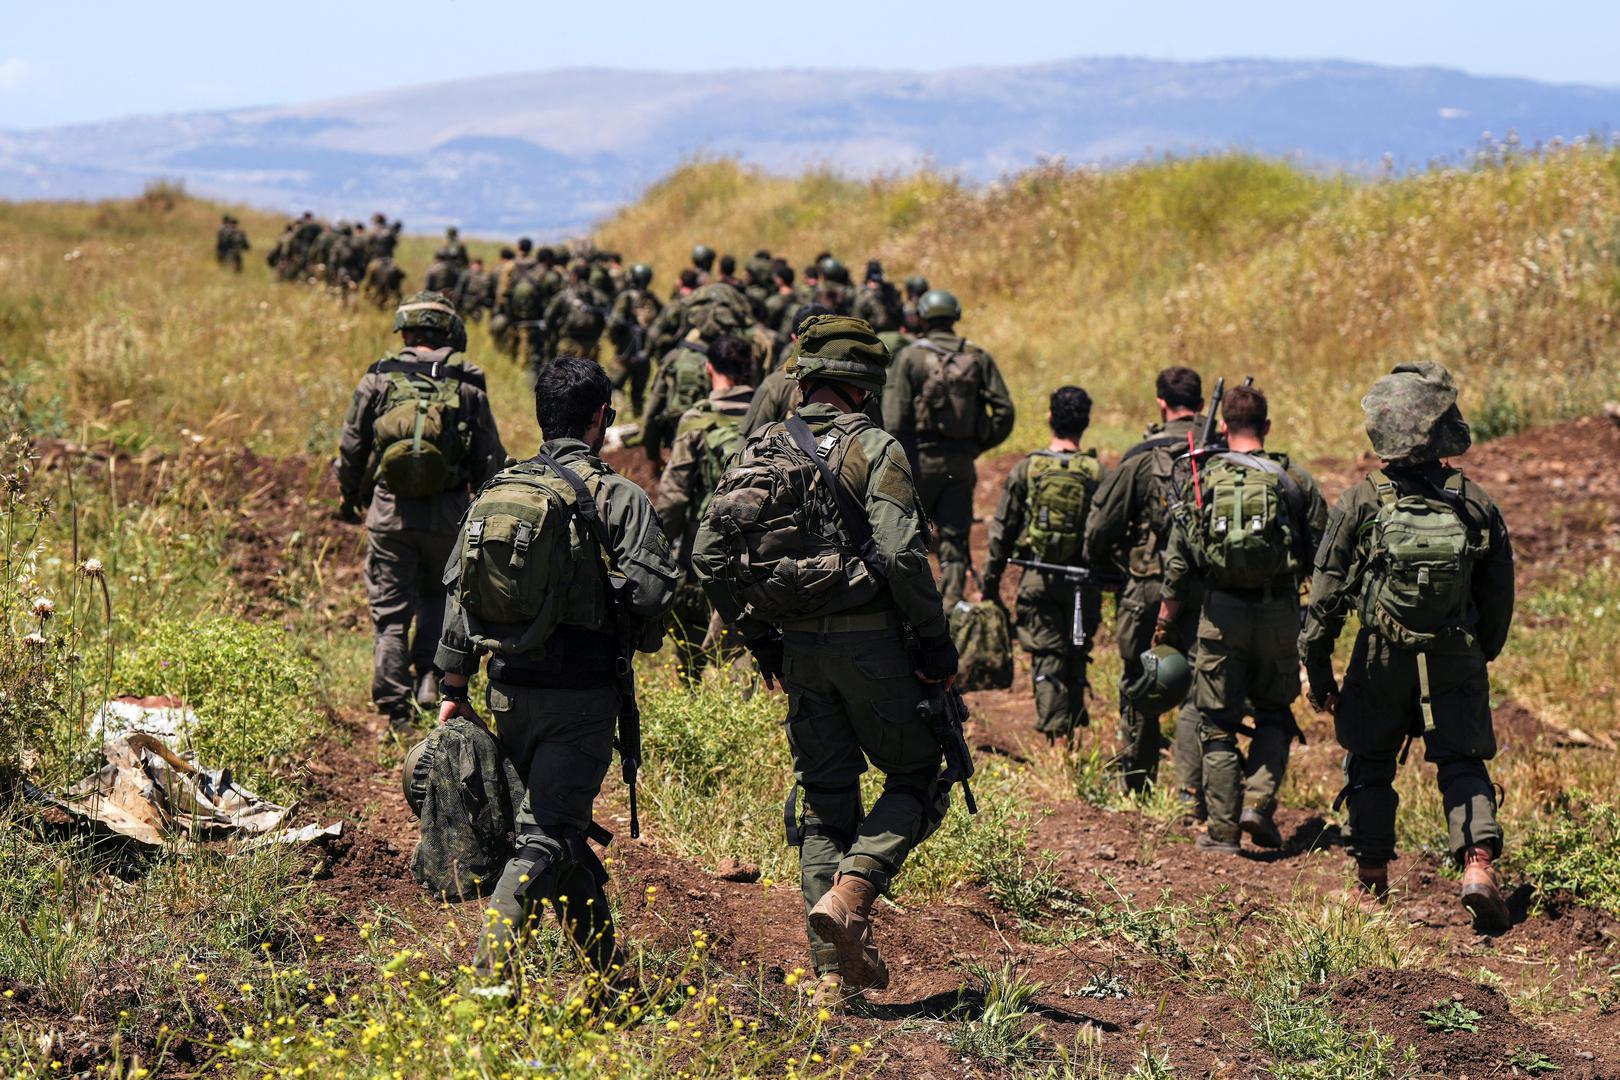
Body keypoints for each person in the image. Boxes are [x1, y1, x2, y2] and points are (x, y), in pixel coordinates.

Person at [690, 315, 960, 1010]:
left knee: (823, 802)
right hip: (873, 645)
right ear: (863, 388)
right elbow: (901, 555)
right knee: (919, 774)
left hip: (799, 650)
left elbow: (706, 556)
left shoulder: (760, 446)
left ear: (805, 380)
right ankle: (853, 894)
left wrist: (761, 640)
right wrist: (934, 645)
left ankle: (830, 985)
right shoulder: (877, 447)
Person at [436, 356, 678, 979]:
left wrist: (453, 685)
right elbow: (652, 603)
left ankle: (603, 972)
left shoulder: (497, 492)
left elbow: (459, 592)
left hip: (508, 692)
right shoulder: (621, 497)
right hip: (583, 696)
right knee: (545, 834)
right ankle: (488, 984)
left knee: (557, 824)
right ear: (601, 418)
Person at [1301, 361, 1514, 931]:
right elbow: (1499, 598)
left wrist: (1319, 677)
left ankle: (1371, 884)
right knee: (1462, 761)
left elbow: (1323, 601)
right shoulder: (1475, 503)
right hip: (1455, 654)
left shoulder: (1360, 502)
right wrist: (1475, 655)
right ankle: (1477, 867)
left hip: (1379, 659)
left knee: (1369, 762)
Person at [1158, 385, 1327, 853]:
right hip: (1279, 614)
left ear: (1224, 428)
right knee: (1274, 712)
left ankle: (1223, 831)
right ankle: (1257, 802)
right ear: (1267, 427)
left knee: (1216, 722)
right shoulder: (1295, 480)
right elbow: (1324, 556)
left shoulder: (1202, 479)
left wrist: (1165, 623)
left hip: (1221, 614)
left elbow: (1177, 565)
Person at [337, 292, 505, 735]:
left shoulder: (378, 377)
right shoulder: (467, 380)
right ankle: (430, 678)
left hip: (390, 511)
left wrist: (350, 495)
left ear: (406, 331)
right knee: (438, 597)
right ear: (449, 333)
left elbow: (352, 445)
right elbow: (490, 455)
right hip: (448, 513)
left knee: (391, 610)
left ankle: (394, 704)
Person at [1083, 367, 1209, 801]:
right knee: (1203, 686)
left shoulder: (1141, 456)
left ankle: (1136, 784)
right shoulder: (1221, 452)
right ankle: (1193, 791)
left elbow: (1099, 529)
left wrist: (1114, 570)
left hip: (1147, 586)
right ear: (1202, 402)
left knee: (1141, 679)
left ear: (1161, 403)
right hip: (1210, 590)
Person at [982, 386, 1103, 743]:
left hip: (1038, 577)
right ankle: (1074, 734)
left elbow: (1002, 530)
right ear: (1086, 422)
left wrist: (992, 581)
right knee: (1078, 652)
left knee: (1047, 656)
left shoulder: (1028, 469)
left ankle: (1055, 738)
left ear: (1050, 417)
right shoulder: (1097, 472)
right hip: (1083, 581)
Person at [883, 288, 1016, 606]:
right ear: (954, 316)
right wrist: (977, 445)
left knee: (908, 538)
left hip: (918, 464)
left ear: (923, 317)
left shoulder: (909, 358)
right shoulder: (977, 356)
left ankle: (915, 612)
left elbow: (894, 418)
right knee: (955, 543)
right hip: (961, 463)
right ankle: (952, 609)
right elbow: (1005, 411)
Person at [655, 334, 755, 677]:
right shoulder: (768, 418)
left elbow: (675, 493)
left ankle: (694, 688)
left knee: (691, 635)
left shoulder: (697, 418)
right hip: (758, 547)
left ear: (709, 368)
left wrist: (658, 544)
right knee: (746, 642)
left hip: (703, 543)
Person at [642, 283, 752, 464]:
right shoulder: (740, 356)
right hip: (735, 455)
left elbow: (653, 412)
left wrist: (653, 454)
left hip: (683, 449)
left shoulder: (675, 358)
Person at [608, 263, 663, 415]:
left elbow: (614, 322)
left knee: (613, 386)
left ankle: (619, 413)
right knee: (638, 392)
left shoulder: (625, 296)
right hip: (644, 354)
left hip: (625, 352)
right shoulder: (652, 298)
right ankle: (638, 416)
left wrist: (616, 339)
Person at [545, 262, 612, 362]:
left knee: (566, 376)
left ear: (574, 275)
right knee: (588, 376)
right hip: (592, 345)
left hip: (568, 344)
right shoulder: (600, 296)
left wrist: (555, 333)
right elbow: (606, 318)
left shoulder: (564, 295)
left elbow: (549, 317)